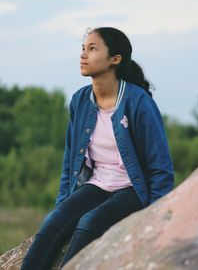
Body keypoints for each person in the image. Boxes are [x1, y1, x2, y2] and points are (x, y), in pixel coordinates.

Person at [20, 27, 174, 270]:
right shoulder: (80, 100)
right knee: (54, 221)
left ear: (115, 59)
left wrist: (155, 216)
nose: (83, 54)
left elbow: (161, 167)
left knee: (89, 222)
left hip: (133, 188)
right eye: (83, 48)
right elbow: (70, 161)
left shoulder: (137, 101)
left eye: (92, 49)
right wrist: (63, 203)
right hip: (97, 184)